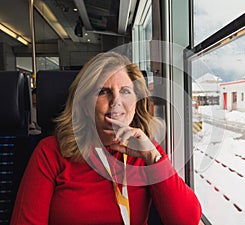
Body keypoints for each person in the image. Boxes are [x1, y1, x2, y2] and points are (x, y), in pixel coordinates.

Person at [10, 52, 202, 225]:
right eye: (103, 91)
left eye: (125, 91)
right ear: (85, 104)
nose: (116, 101)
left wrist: (152, 158)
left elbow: (187, 220)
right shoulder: (50, 151)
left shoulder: (145, 151)